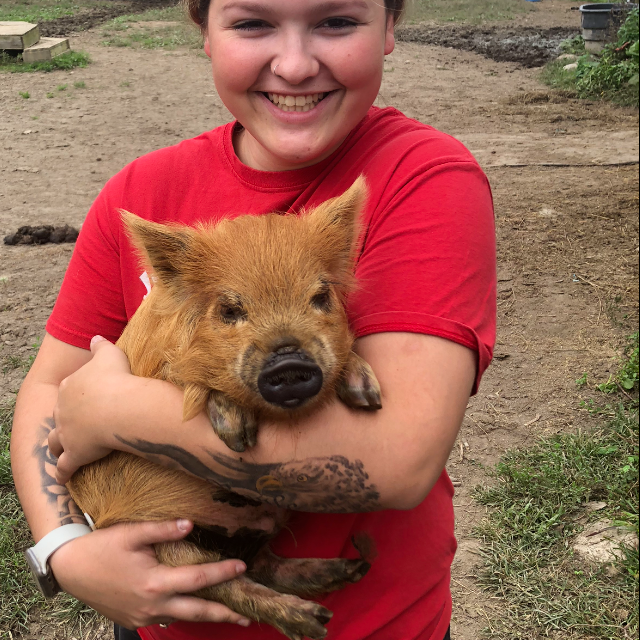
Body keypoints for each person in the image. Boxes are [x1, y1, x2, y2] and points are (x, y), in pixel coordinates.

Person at [10, 0, 496, 639]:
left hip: (377, 627)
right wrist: (63, 549)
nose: (294, 65)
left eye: (336, 21)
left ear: (390, 27)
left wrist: (113, 412)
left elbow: (398, 462)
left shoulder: (420, 178)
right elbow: (49, 387)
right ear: (203, 32)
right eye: (252, 22)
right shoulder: (140, 193)